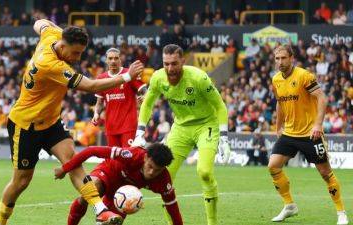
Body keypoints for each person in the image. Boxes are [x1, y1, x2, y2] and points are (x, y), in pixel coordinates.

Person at [0, 19, 144, 225]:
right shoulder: (50, 65)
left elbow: (40, 22)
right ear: (63, 46)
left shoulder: (53, 35)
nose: (77, 57)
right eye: (75, 53)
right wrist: (126, 77)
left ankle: (100, 210)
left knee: (73, 161)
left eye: (81, 52)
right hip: (26, 125)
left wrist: (61, 30)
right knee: (21, 181)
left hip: (51, 122)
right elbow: (91, 86)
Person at [132, 44, 231, 225]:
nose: (170, 68)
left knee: (204, 172)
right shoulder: (158, 77)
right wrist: (140, 131)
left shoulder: (199, 78)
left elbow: (220, 106)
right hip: (180, 128)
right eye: (166, 64)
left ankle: (212, 222)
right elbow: (147, 103)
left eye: (174, 64)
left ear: (182, 62)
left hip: (206, 125)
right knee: (164, 177)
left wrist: (224, 137)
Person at [269, 45, 348, 225]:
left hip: (309, 133)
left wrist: (318, 124)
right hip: (289, 132)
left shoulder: (305, 76)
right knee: (273, 166)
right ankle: (289, 205)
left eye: (283, 58)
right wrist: (278, 126)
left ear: (291, 58)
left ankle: (341, 212)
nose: (280, 62)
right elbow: (280, 103)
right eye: (277, 59)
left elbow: (321, 98)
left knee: (325, 173)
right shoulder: (275, 80)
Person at [54, 143, 183, 225]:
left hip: (122, 195)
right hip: (108, 174)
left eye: (157, 170)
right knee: (91, 190)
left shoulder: (163, 180)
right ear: (145, 158)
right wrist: (65, 169)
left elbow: (173, 207)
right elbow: (92, 150)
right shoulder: (132, 155)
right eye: (150, 166)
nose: (151, 172)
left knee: (114, 222)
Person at [92, 48, 147, 147]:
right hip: (110, 126)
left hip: (128, 125)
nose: (113, 61)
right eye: (110, 58)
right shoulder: (101, 78)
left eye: (116, 58)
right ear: (106, 60)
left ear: (120, 59)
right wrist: (96, 114)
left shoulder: (130, 74)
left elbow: (145, 90)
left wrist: (144, 97)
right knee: (114, 160)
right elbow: (99, 103)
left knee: (128, 157)